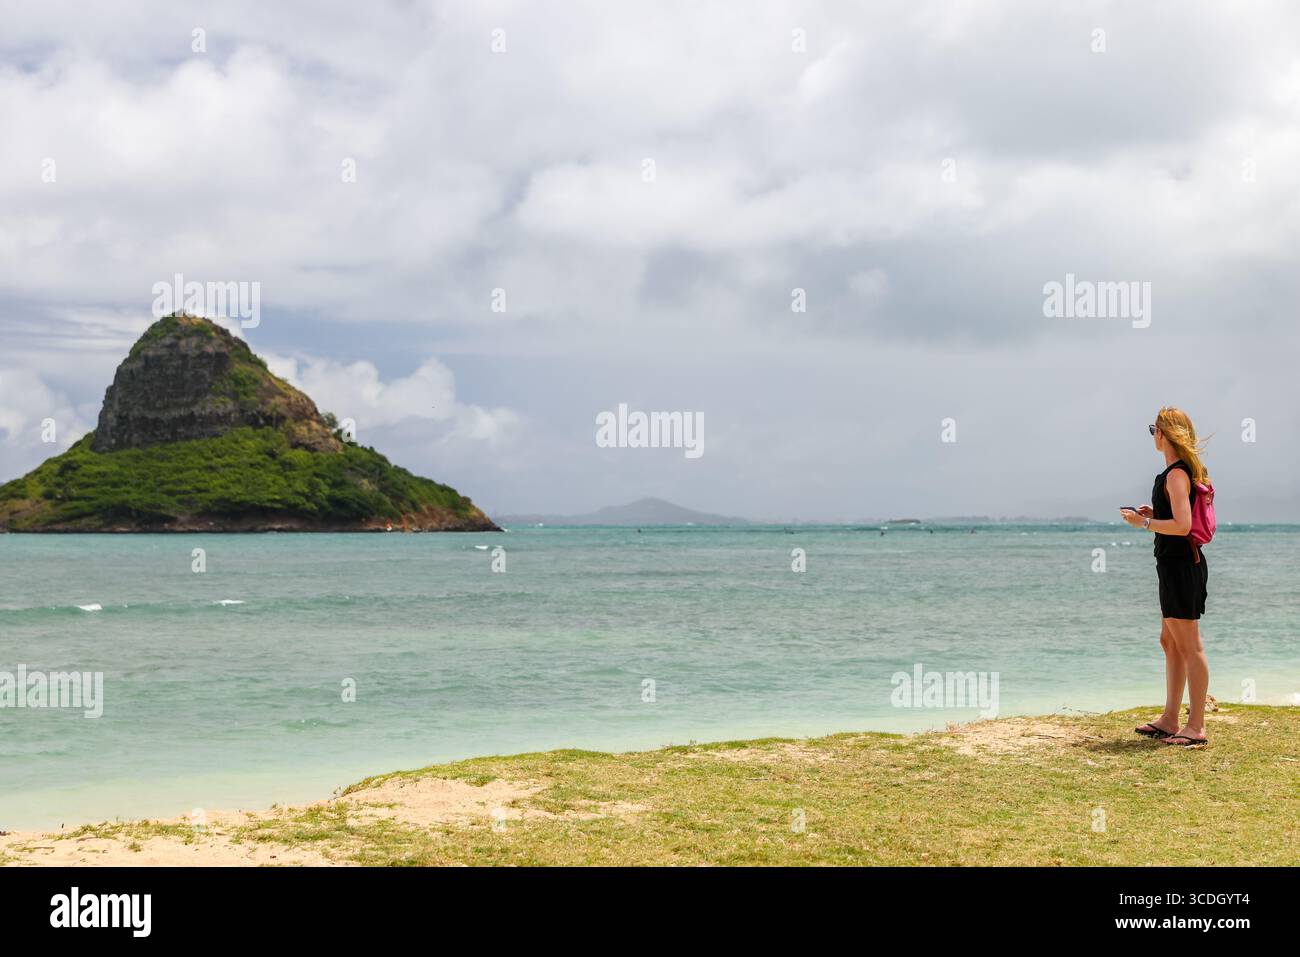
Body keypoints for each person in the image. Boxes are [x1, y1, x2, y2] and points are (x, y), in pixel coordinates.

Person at [1122, 407, 1211, 748]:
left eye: (1154, 429)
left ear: (1166, 434)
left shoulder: (1176, 475)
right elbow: (1175, 517)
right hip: (1172, 566)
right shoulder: (1174, 474)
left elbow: (1184, 526)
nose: (1153, 436)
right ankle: (1171, 718)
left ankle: (1196, 726)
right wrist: (1154, 513)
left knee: (1190, 646)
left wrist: (1143, 523)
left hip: (1182, 567)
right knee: (1170, 641)